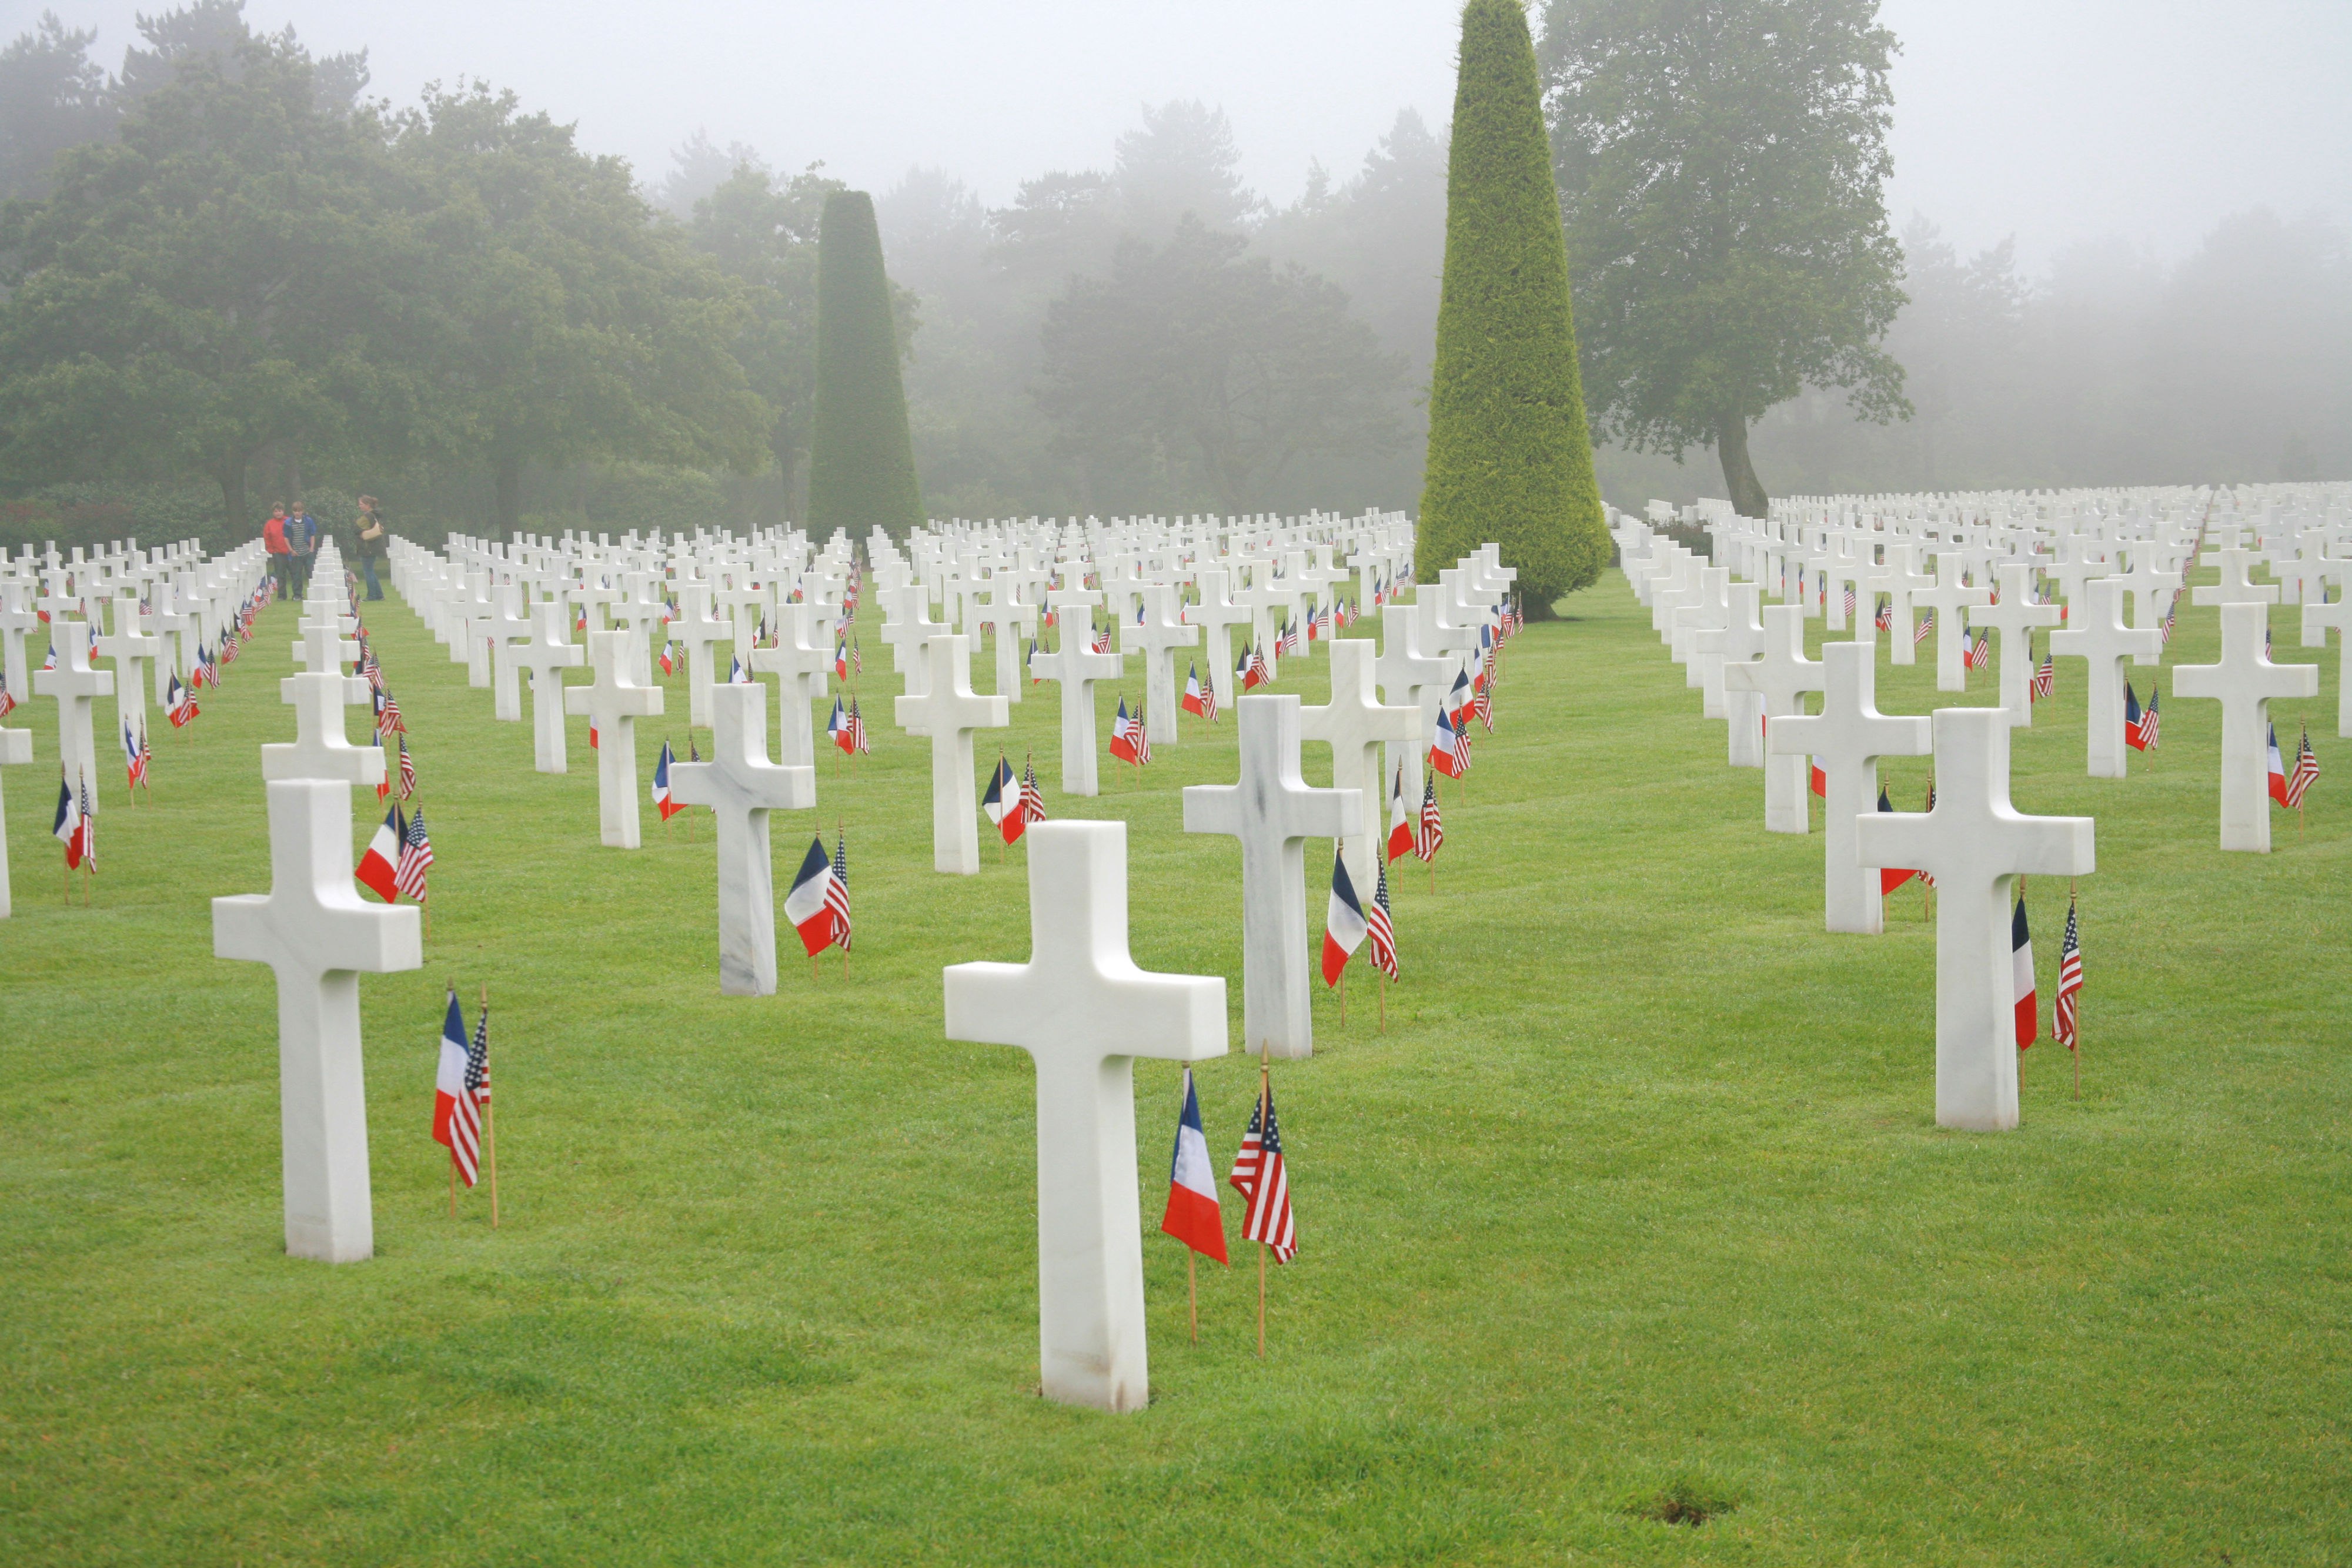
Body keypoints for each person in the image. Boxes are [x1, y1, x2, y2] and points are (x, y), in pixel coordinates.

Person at [354, 495, 388, 600]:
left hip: (368, 547)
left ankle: (372, 595)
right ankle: (379, 595)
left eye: (361, 504)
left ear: (368, 505)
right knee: (370, 571)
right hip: (374, 547)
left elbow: (356, 528)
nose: (359, 506)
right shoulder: (375, 515)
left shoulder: (368, 516)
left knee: (368, 571)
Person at [288, 500, 320, 598]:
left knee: (311, 573)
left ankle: (315, 593)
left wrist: (311, 549)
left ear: (303, 511)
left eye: (299, 511)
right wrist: (291, 550)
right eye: (295, 511)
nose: (297, 513)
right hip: (296, 553)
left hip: (307, 551)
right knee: (296, 575)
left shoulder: (308, 521)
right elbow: (286, 538)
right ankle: (297, 595)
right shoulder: (289, 523)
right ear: (293, 512)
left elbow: (312, 535)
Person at [262, 504, 292, 598]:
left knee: (295, 573)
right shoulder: (269, 524)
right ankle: (282, 595)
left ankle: (297, 594)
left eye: (280, 511)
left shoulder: (289, 521)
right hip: (278, 553)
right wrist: (271, 550)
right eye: (276, 511)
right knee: (280, 575)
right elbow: (267, 538)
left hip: (291, 552)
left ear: (283, 511)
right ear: (273, 513)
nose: (278, 513)